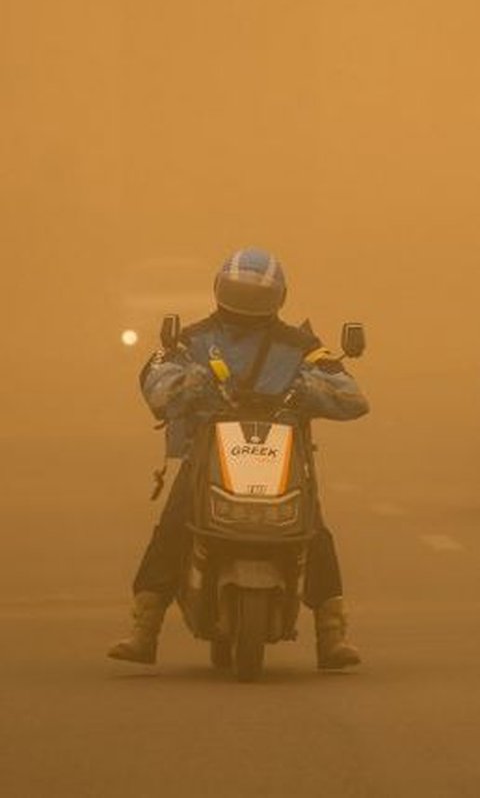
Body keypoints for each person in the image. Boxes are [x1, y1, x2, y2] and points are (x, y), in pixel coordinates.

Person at [109, 247, 369, 669]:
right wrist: (189, 383)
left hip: (283, 459)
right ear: (218, 290)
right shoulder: (191, 340)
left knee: (313, 531)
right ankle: (145, 630)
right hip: (206, 456)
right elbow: (156, 380)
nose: (246, 304)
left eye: (257, 295)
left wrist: (310, 391)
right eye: (238, 292)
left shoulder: (302, 346)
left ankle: (331, 634)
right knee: (174, 527)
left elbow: (353, 397)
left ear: (279, 298)